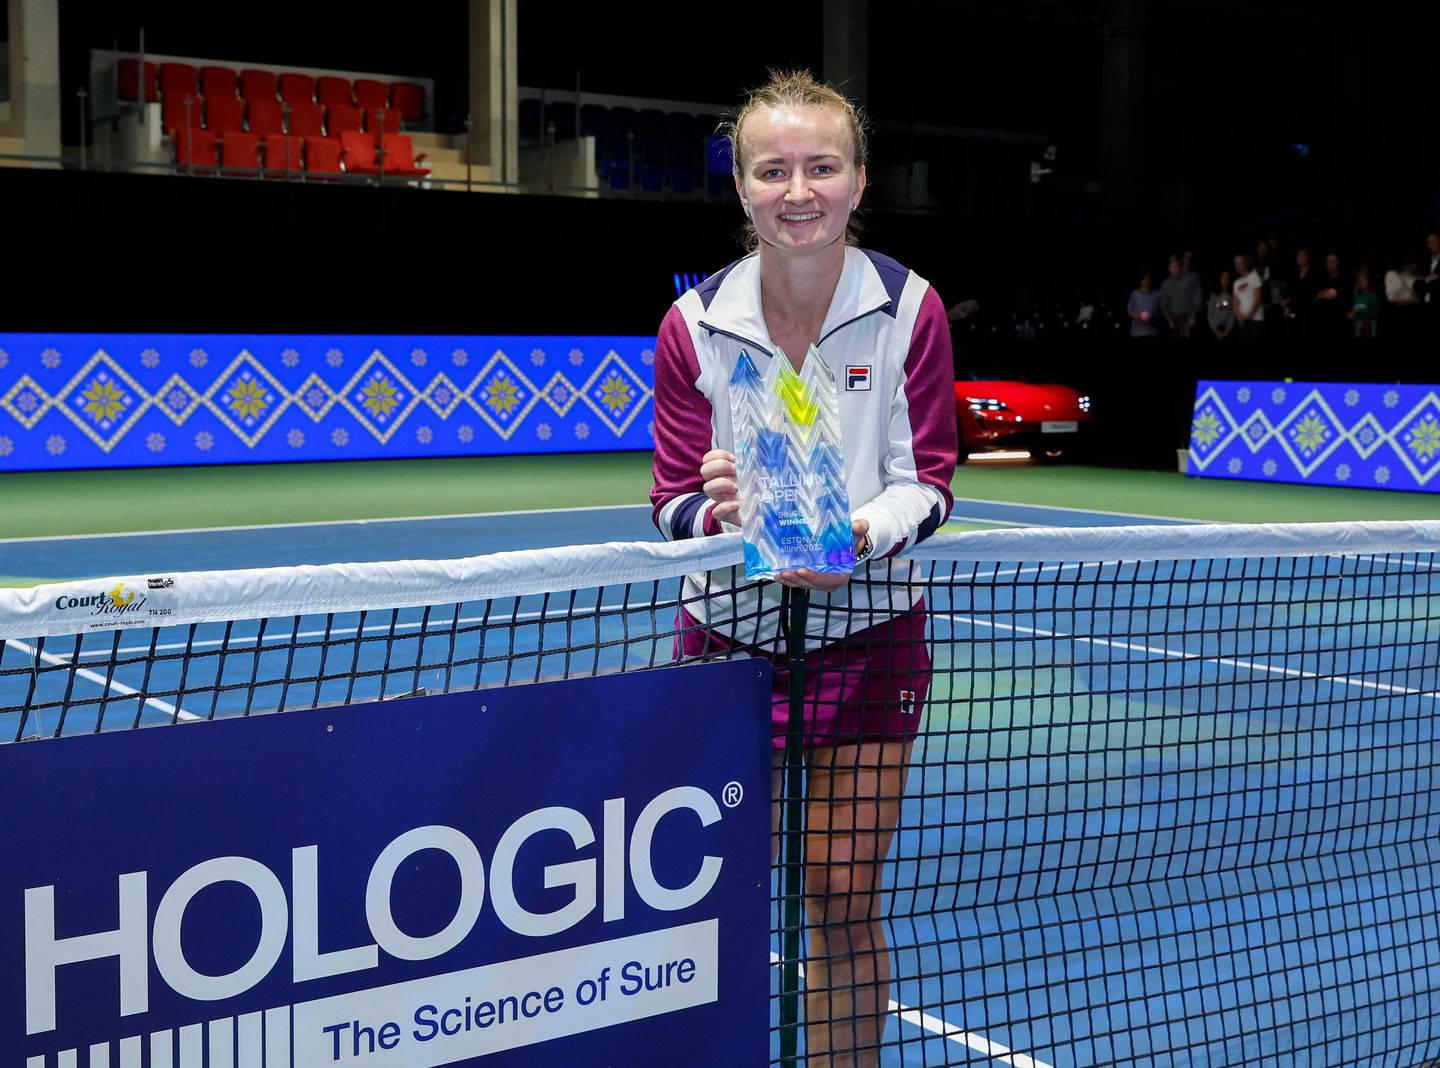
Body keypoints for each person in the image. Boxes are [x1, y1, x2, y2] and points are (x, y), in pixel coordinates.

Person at [649, 69, 957, 1064]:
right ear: (741, 188)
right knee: (714, 899)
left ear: (859, 181)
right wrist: (719, 509)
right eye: (772, 170)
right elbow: (671, 502)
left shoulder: (910, 310)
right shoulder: (693, 325)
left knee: (841, 896)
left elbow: (933, 482)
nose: (798, 190)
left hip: (868, 641)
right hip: (728, 647)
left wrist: (855, 537)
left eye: (821, 166)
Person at [1158, 254, 1204, 338]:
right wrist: (1170, 321)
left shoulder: (1191, 279)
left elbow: (1197, 299)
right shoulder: (1165, 285)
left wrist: (1193, 316)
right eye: (1173, 267)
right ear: (1169, 268)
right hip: (1174, 320)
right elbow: (1164, 304)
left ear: (1181, 267)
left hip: (1189, 318)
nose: (1175, 269)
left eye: (1177, 267)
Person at [1232, 254, 1265, 339]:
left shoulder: (1254, 276)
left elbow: (1258, 299)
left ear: (1246, 263)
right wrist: (1239, 317)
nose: (1238, 266)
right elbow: (1235, 302)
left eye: (1240, 263)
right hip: (1242, 321)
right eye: (1236, 264)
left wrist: (1248, 316)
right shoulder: (1236, 282)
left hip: (1256, 320)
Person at [1126, 272, 1161, 338]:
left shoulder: (1156, 294)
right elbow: (1129, 311)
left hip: (1152, 331)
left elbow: (1160, 312)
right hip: (1137, 332)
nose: (1146, 281)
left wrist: (1152, 317)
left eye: (1148, 279)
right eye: (1144, 279)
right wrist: (1138, 317)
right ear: (1140, 280)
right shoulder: (1135, 294)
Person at [1350, 266, 1380, 339]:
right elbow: (1351, 312)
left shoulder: (1373, 296)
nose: (1361, 283)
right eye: (1359, 280)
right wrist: (1351, 313)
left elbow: (1377, 313)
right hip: (1356, 328)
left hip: (1370, 328)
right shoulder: (1355, 296)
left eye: (1363, 280)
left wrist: (1361, 310)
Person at [1208, 270, 1236, 340]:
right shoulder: (1214, 295)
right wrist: (1215, 330)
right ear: (1220, 278)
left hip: (1228, 331)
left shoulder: (1232, 296)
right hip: (1215, 330)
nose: (1225, 279)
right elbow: (1210, 314)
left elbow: (1233, 315)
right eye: (1223, 277)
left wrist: (1226, 332)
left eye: (1227, 277)